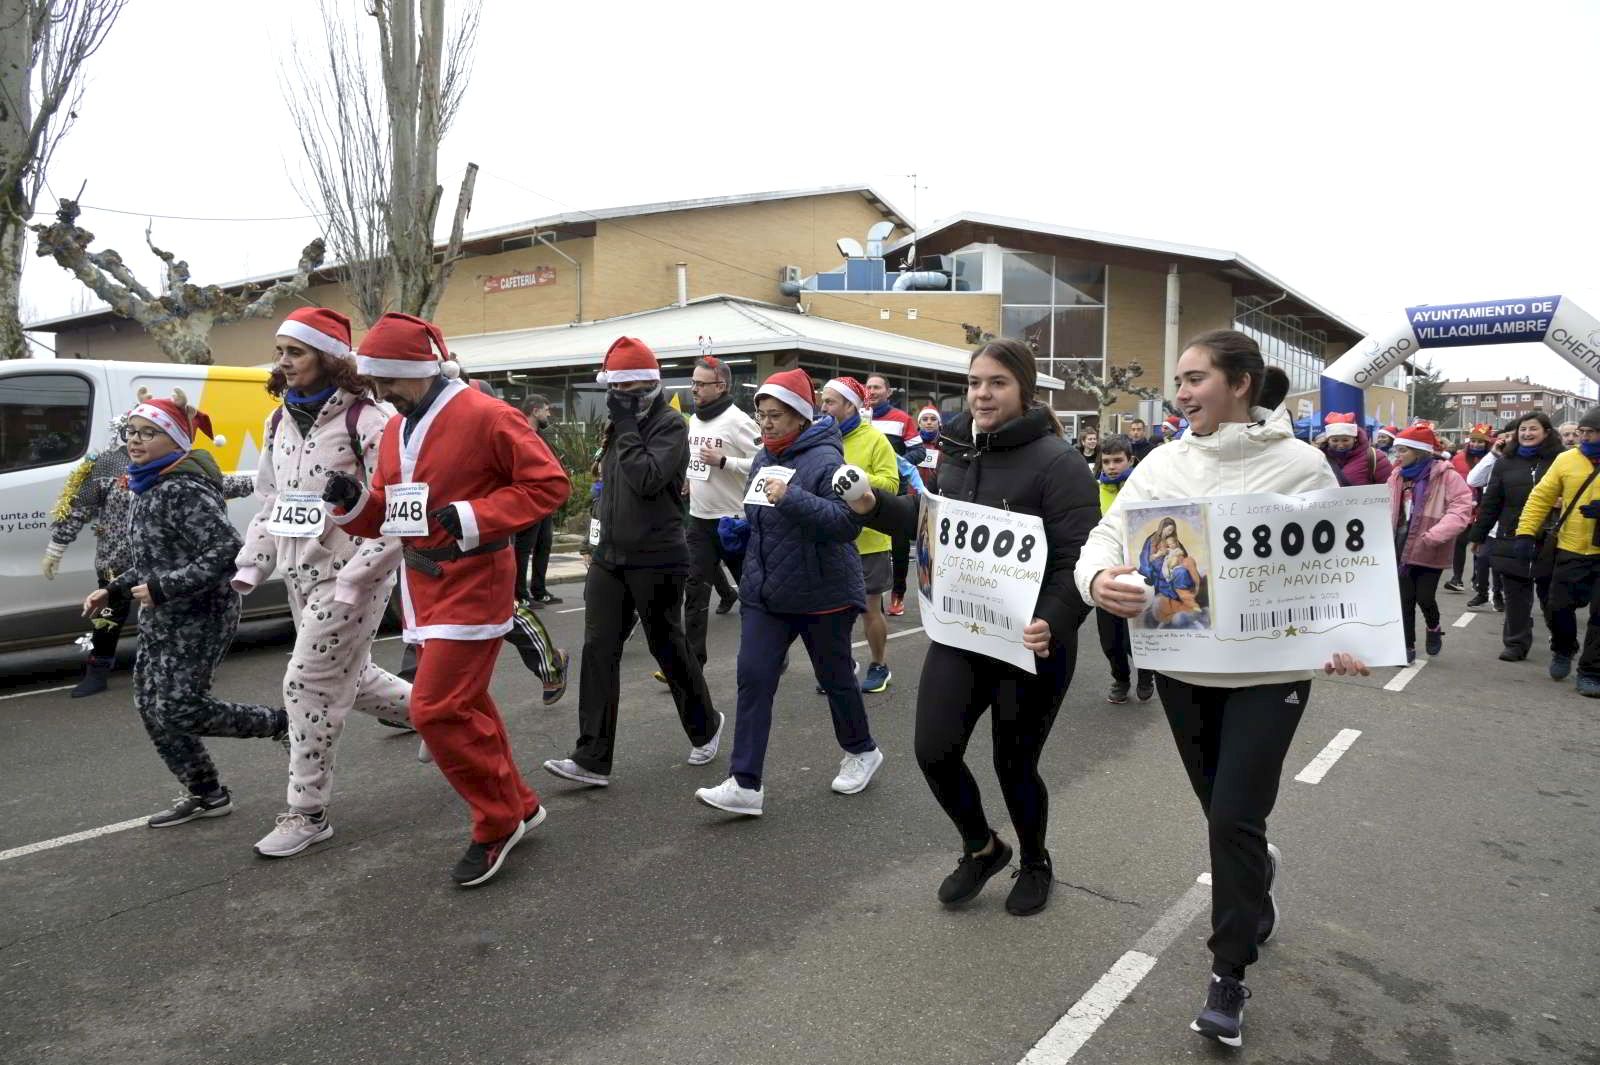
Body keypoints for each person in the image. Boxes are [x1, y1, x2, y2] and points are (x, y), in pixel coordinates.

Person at [1079, 330, 1371, 1049]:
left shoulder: (1301, 465)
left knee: (1231, 818)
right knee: (1224, 815)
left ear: (1240, 383)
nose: (1179, 392)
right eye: (1177, 379)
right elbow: (1109, 535)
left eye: (1194, 377)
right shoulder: (1162, 463)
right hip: (1182, 668)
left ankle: (1228, 971)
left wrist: (1349, 637)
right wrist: (1098, 580)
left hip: (1270, 676)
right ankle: (1256, 869)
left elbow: (1337, 564)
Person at [845, 338, 1098, 918]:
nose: (983, 393)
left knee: (1014, 763)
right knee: (933, 749)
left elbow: (1079, 559)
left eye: (998, 383)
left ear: (1024, 390)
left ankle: (1035, 860)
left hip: (1031, 642)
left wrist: (1054, 621)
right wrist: (872, 505)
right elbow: (933, 524)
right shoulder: (957, 448)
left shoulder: (1059, 462)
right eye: (976, 381)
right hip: (962, 632)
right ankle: (982, 846)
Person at [323, 312, 569, 887]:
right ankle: (520, 805)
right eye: (374, 382)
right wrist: (352, 503)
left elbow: (549, 485)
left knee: (434, 710)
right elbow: (391, 511)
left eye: (390, 381)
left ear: (424, 369)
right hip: (421, 588)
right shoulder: (394, 429)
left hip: (475, 582)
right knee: (468, 705)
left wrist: (473, 516)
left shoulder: (487, 414)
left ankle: (497, 821)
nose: (382, 394)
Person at [231, 308, 413, 859]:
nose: (283, 362)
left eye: (296, 352)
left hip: (353, 575)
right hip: (298, 572)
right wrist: (250, 566)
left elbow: (402, 508)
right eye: (280, 351)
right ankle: (443, 715)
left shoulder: (371, 420)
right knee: (349, 679)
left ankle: (306, 812)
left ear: (331, 358)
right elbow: (272, 502)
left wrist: (360, 576)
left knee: (306, 683)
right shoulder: (277, 420)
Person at [82, 389, 289, 828]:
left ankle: (280, 724)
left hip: (202, 612)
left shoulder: (183, 487)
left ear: (176, 441)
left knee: (179, 707)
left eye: (148, 433)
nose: (135, 441)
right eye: (131, 432)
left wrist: (163, 587)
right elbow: (156, 555)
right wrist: (115, 589)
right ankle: (207, 793)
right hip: (163, 610)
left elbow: (225, 551)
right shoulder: (147, 482)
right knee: (150, 705)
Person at [694, 369, 884, 816]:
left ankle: (862, 751)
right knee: (754, 679)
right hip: (767, 594)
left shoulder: (824, 460)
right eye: (761, 415)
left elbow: (845, 523)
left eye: (775, 415)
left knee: (836, 679)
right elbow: (761, 514)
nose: (766, 424)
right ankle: (745, 783)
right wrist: (740, 531)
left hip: (823, 594)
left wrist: (792, 498)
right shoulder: (763, 458)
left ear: (799, 416)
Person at [543, 337, 723, 789]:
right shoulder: (617, 425)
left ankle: (706, 726)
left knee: (668, 646)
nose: (618, 400)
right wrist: (593, 537)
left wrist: (625, 426)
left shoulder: (671, 426)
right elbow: (609, 487)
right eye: (614, 391)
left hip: (657, 557)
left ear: (647, 385)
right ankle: (592, 757)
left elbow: (646, 479)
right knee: (599, 648)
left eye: (626, 391)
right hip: (610, 559)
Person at [817, 376, 900, 693]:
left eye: (830, 402)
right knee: (831, 612)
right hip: (832, 536)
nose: (823, 407)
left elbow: (892, 485)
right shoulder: (822, 439)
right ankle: (841, 666)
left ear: (850, 405)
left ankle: (880, 665)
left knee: (869, 607)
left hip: (869, 540)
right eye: (823, 401)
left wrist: (857, 479)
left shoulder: (875, 439)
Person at [1514, 405, 1600, 695]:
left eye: (1591, 432)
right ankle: (1564, 648)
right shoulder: (1567, 460)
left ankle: (1590, 671)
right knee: (1557, 606)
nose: (1584, 437)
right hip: (1570, 547)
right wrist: (1525, 532)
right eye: (1582, 432)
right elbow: (1540, 497)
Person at [683, 355, 760, 666]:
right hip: (699, 519)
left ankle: (767, 652)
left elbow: (766, 462)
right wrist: (689, 477)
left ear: (721, 386)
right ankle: (692, 660)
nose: (694, 389)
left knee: (752, 595)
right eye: (693, 383)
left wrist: (726, 461)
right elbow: (696, 458)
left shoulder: (739, 421)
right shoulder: (695, 418)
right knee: (694, 590)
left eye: (700, 384)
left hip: (734, 521)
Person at [1471, 413, 1566, 664]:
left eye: (1533, 429)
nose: (1526, 434)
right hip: (1511, 535)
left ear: (1546, 432)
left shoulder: (1561, 460)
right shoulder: (1505, 462)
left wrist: (1563, 502)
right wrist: (1478, 535)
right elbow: (1491, 501)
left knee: (1552, 595)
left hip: (1552, 536)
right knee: (1515, 593)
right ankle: (1515, 643)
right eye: (1522, 429)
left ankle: (1561, 642)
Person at [1385, 423, 1473, 663]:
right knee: (1405, 600)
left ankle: (1433, 628)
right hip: (1400, 545)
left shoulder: (1447, 475)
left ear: (1419, 451)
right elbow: (1385, 505)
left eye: (1403, 450)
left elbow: (1462, 508)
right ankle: (1406, 646)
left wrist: (1436, 534)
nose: (1397, 456)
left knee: (1424, 597)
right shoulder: (1396, 476)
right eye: (1397, 450)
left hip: (1429, 546)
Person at [1093, 434, 1154, 703]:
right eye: (1106, 461)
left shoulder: (1146, 488)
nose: (1112, 466)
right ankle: (1120, 679)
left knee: (1136, 636)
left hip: (1140, 574)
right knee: (1111, 640)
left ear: (1130, 460)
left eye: (1118, 460)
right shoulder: (1094, 489)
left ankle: (1145, 674)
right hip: (1107, 574)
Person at [864, 373, 925, 617]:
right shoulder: (857, 417)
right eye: (868, 387)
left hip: (895, 493)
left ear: (888, 392)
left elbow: (919, 451)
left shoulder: (902, 419)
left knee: (898, 548)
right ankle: (871, 599)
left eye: (877, 387)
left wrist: (895, 464)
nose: (872, 391)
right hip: (865, 492)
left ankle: (898, 594)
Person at [514, 394, 562, 607]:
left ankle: (539, 590)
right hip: (528, 500)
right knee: (524, 548)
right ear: (535, 410)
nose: (548, 413)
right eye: (546, 409)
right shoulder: (520, 435)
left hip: (544, 501)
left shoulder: (540, 437)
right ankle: (519, 595)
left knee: (544, 544)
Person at [1445, 423, 1492, 596]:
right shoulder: (1458, 459)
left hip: (1484, 508)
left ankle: (1477, 578)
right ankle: (1457, 578)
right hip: (1463, 507)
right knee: (1460, 542)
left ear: (1487, 443)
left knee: (1479, 544)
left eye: (1480, 442)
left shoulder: (1493, 459)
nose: (1476, 444)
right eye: (1473, 440)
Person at [1317, 412, 1392, 486]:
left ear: (1355, 439)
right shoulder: (1319, 457)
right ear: (1328, 440)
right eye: (1335, 440)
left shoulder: (1376, 458)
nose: (1340, 445)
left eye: (1345, 440)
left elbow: (1388, 488)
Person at [915, 405, 944, 494]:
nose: (929, 422)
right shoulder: (910, 444)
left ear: (939, 423)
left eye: (933, 419)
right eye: (925, 419)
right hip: (912, 495)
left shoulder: (946, 445)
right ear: (919, 423)